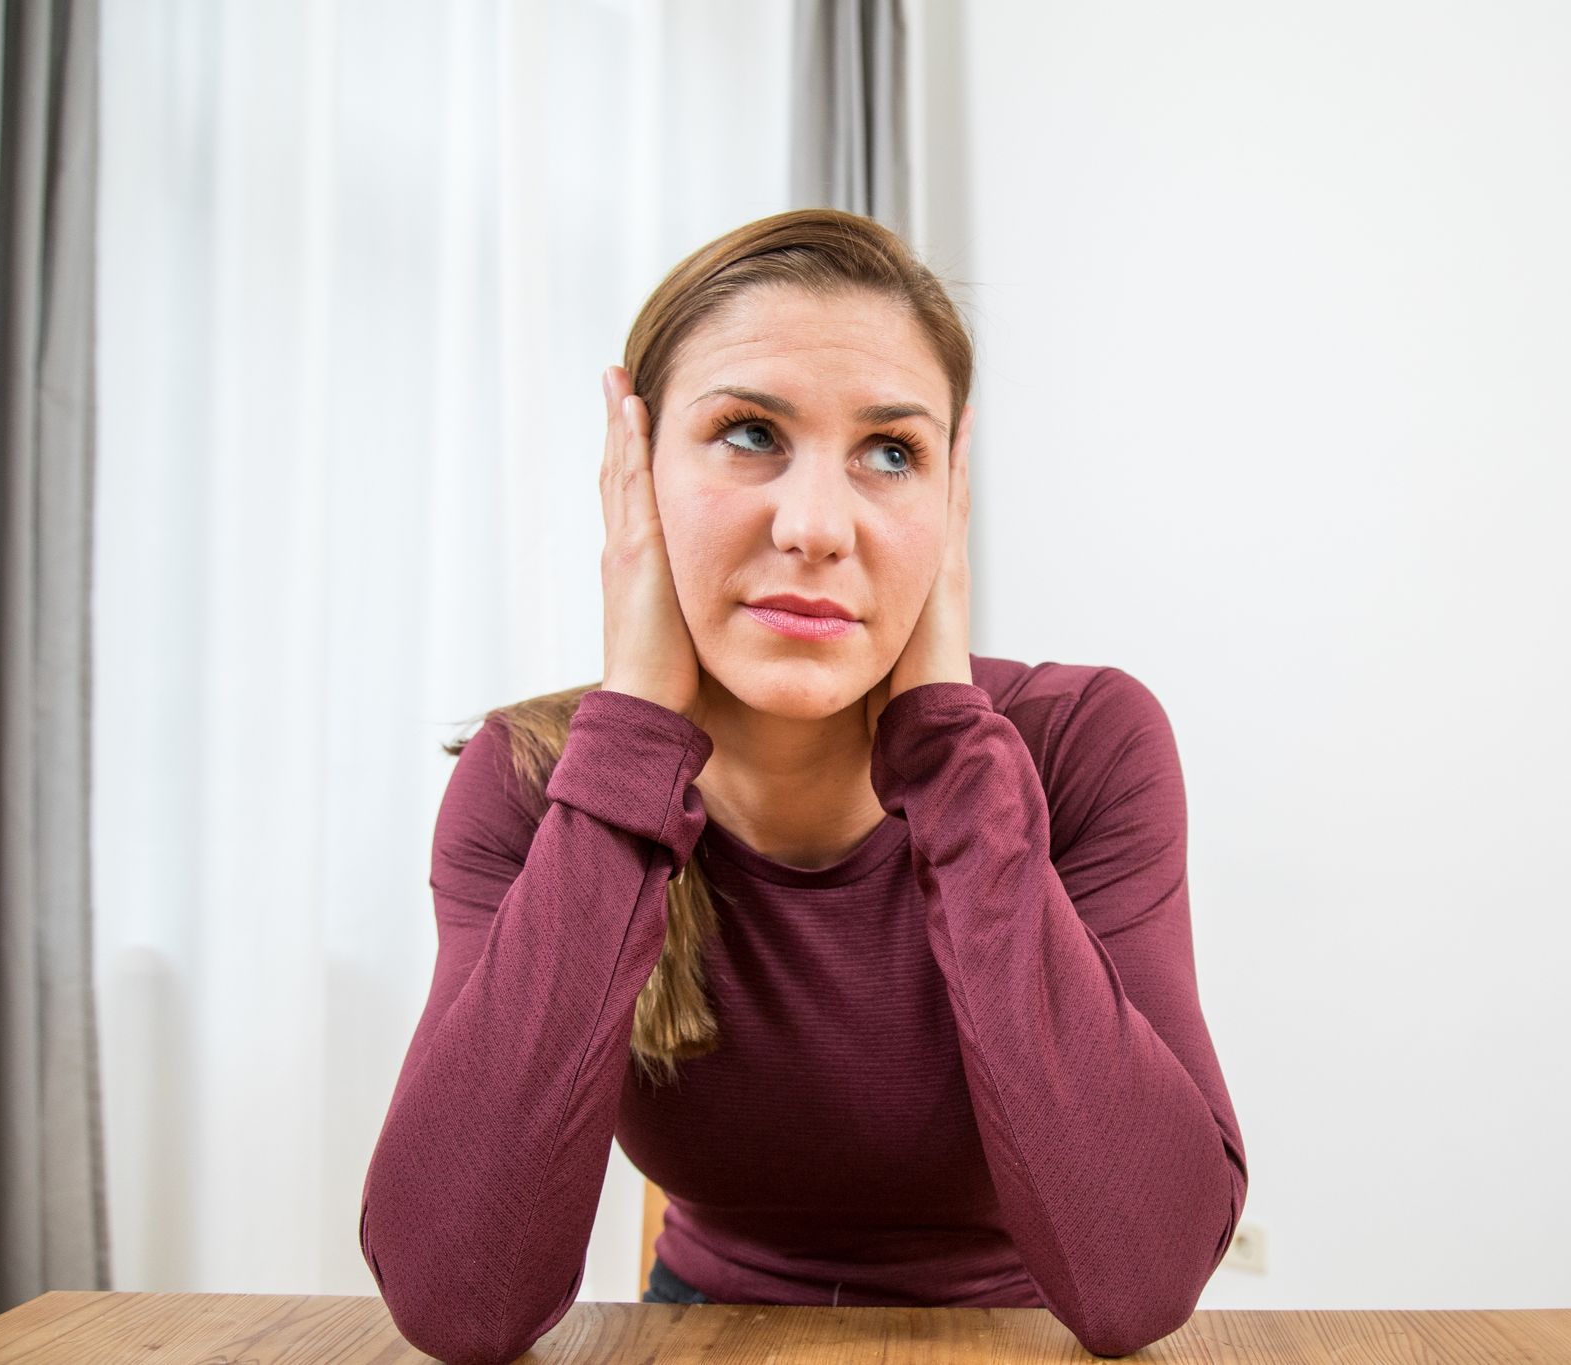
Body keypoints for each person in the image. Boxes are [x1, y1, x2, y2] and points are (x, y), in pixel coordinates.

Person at [357, 207, 1248, 1364]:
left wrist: (944, 745)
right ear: (630, 475)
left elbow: (1134, 1282)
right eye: (746, 433)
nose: (817, 526)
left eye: (891, 453)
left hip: (1029, 1341)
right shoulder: (532, 785)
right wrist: (630, 736)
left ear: (950, 496)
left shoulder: (1082, 745)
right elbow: (457, 1302)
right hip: (700, 1332)